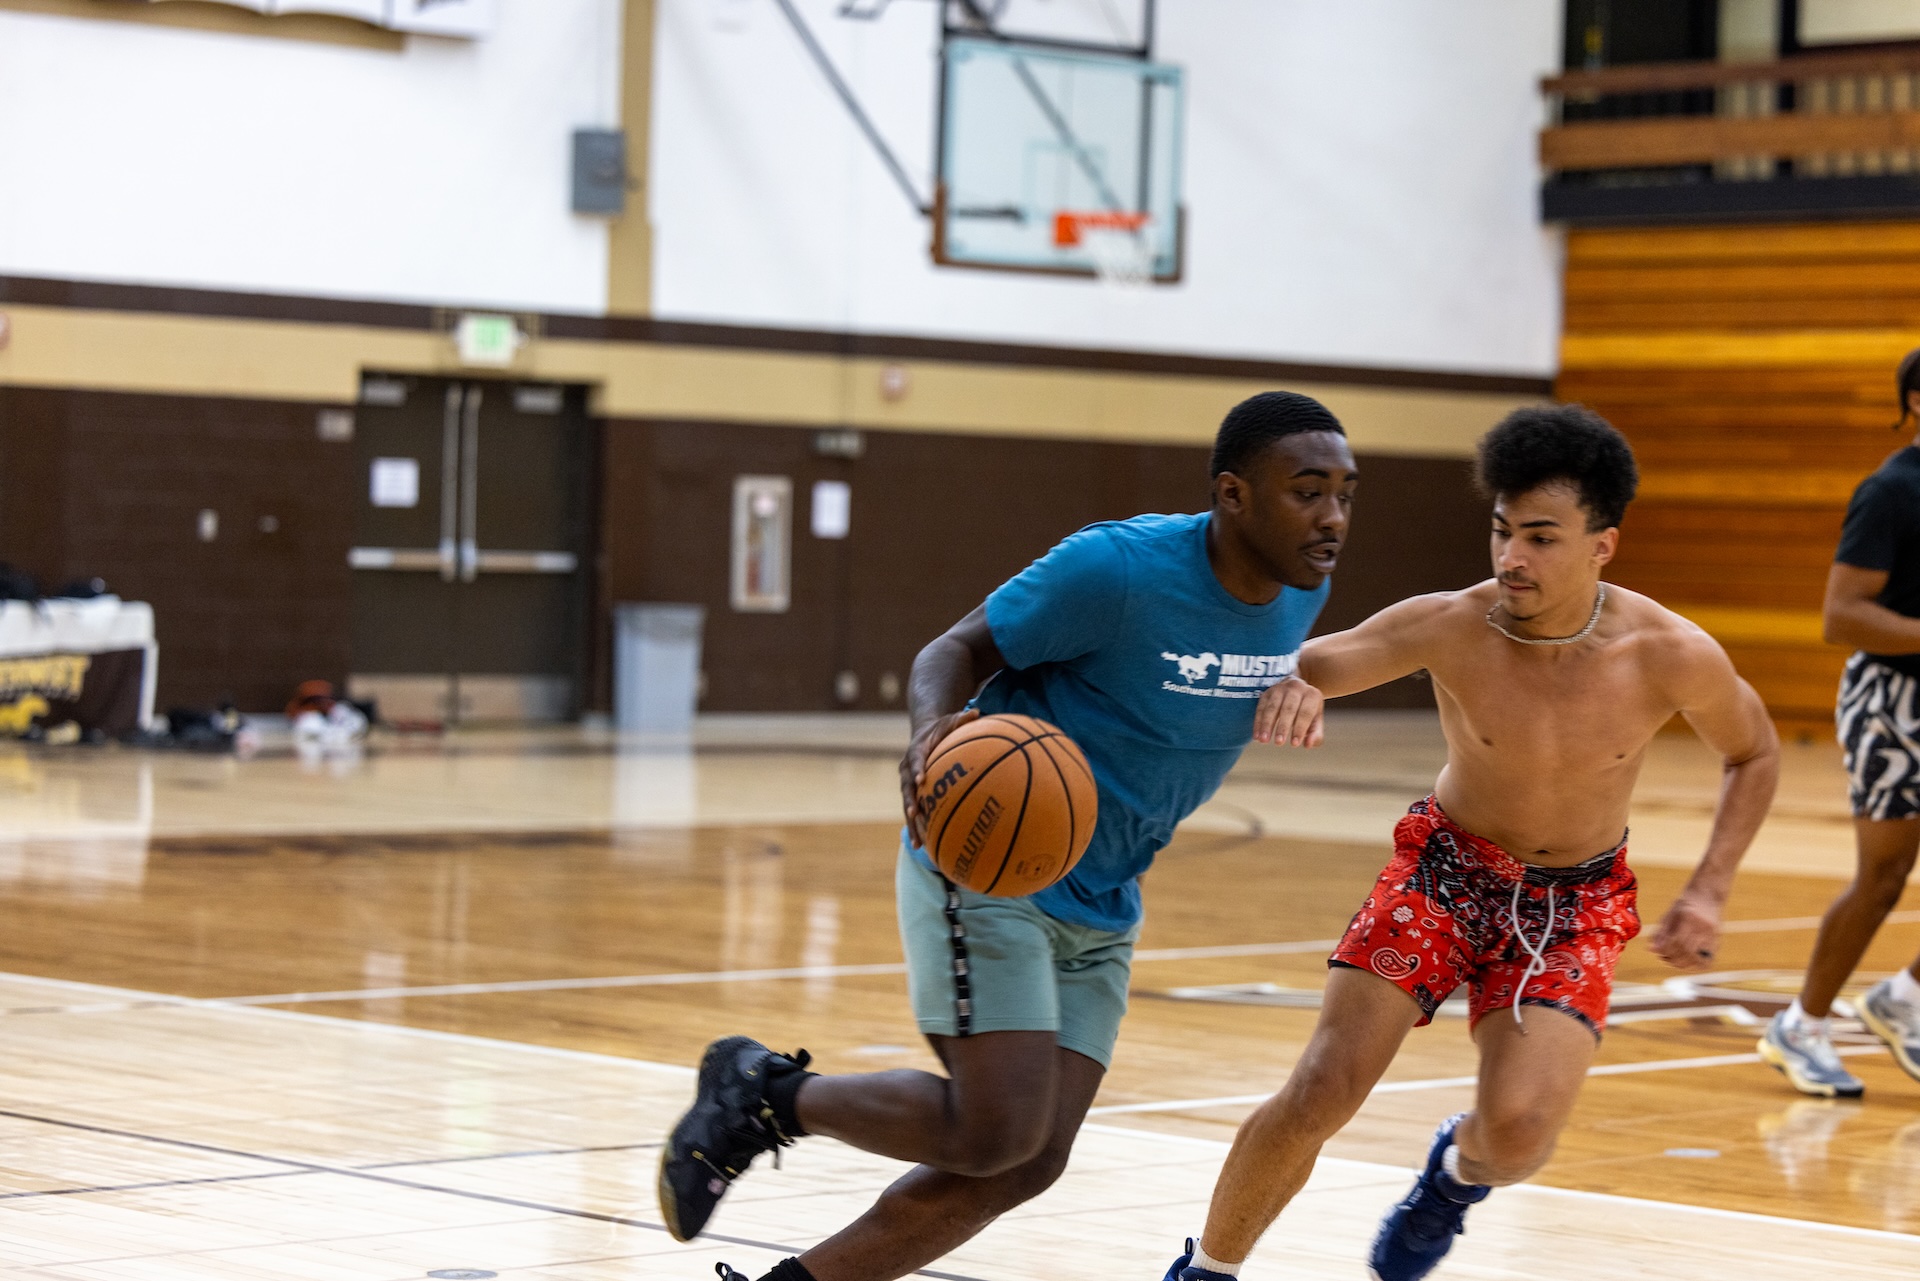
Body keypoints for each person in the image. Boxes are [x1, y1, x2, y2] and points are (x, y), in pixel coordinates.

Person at [656, 391, 1359, 1281]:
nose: (1332, 516)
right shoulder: (1117, 568)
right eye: (1307, 491)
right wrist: (928, 734)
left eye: (1344, 491)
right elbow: (951, 650)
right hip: (992, 859)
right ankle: (771, 1095)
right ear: (1232, 494)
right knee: (993, 1127)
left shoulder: (1305, 586)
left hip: (1106, 894)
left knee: (1029, 1158)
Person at [1162, 404, 1779, 1281]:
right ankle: (1207, 1269)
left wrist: (1711, 886)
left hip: (1574, 904)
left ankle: (1451, 1178)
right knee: (1322, 1088)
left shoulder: (1669, 653)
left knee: (1518, 1138)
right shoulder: (1450, 622)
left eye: (1541, 537)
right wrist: (1296, 679)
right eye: (1500, 532)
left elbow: (1754, 751)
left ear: (1603, 543)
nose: (1511, 558)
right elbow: (1318, 659)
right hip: (1446, 870)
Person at [1759, 349, 1920, 1098]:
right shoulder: (1891, 491)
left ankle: (1903, 996)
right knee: (1884, 877)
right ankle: (1802, 1024)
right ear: (1916, 401)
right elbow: (1840, 615)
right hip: (1893, 701)